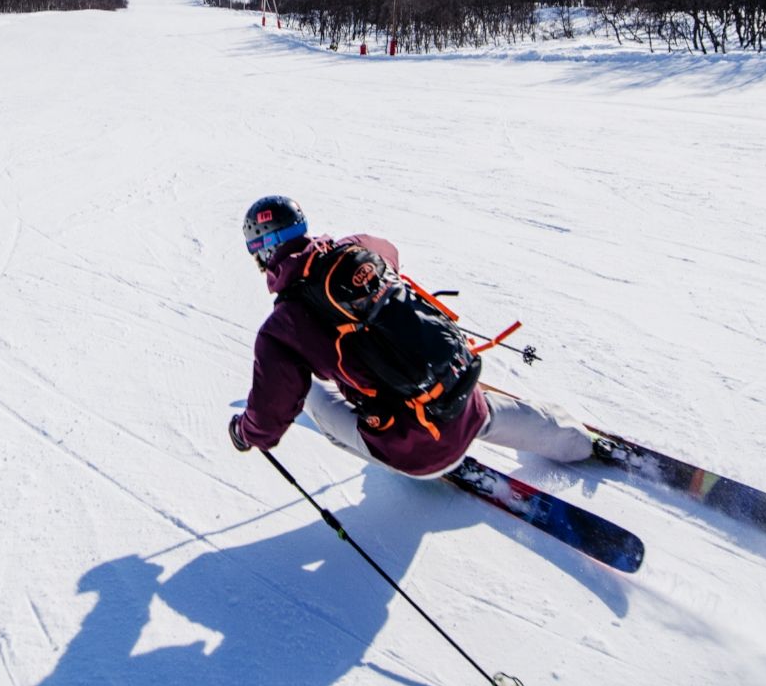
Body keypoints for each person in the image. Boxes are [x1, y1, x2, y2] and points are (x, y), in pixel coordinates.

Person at [228, 195, 593, 477]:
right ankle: (578, 442)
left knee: (314, 399)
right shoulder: (358, 247)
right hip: (462, 391)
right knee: (480, 413)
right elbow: (391, 254)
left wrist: (245, 433)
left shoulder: (282, 327)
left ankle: (432, 464)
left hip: (414, 449)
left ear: (263, 252)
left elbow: (268, 416)